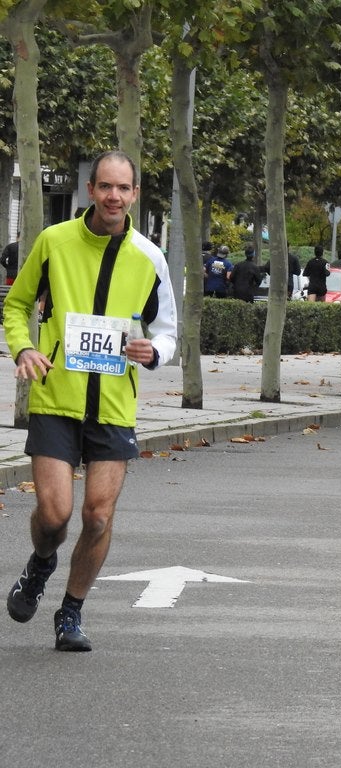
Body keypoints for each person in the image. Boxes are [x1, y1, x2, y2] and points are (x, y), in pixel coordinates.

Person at [2, 150, 178, 652]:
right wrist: (25, 346)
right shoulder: (54, 243)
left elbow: (167, 330)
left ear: (135, 194)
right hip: (56, 397)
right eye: (105, 186)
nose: (113, 196)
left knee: (98, 516)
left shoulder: (150, 257)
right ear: (90, 191)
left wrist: (154, 351)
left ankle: (71, 612)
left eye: (123, 188)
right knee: (54, 516)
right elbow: (16, 305)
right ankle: (40, 564)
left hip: (114, 405)